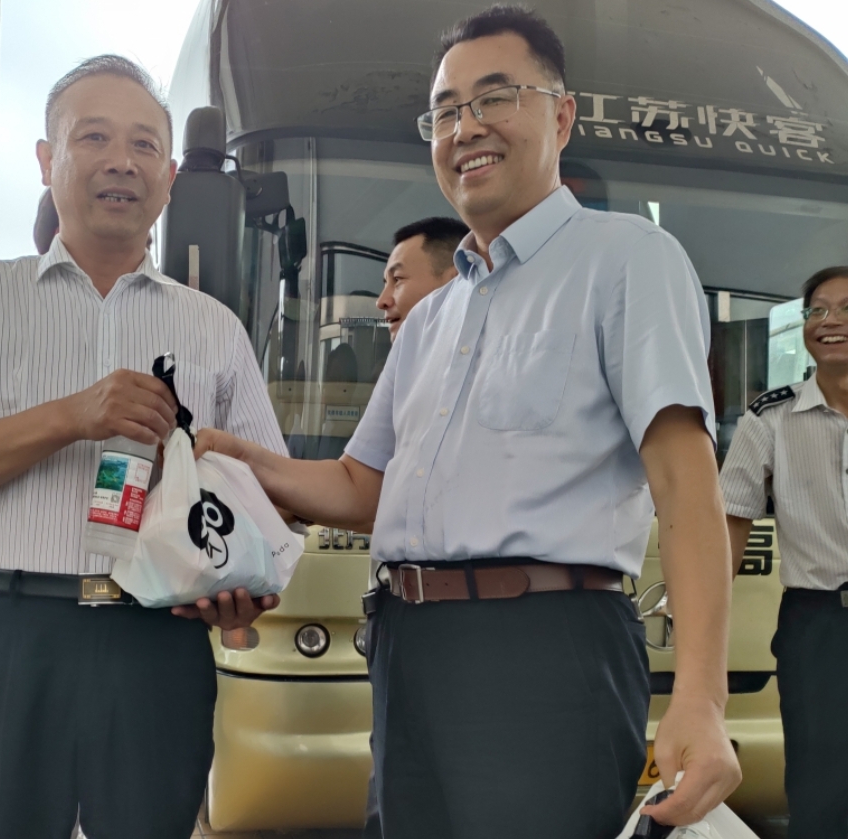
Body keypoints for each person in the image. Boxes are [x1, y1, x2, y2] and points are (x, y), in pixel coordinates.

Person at [193, 6, 741, 837]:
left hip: (542, 650)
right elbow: (361, 485)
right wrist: (237, 458)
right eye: (445, 111)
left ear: (561, 116)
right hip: (406, 649)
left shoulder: (625, 258)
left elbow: (684, 483)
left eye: (494, 98)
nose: (465, 128)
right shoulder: (431, 318)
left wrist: (701, 696)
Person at [0, 55, 288, 839]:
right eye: (94, 137)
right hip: (10, 635)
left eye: (143, 145)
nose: (120, 161)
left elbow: (259, 491)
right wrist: (73, 415)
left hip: (157, 643)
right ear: (47, 159)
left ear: (169, 178)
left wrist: (243, 583)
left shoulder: (215, 328)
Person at [719, 267, 848, 839]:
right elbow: (731, 520)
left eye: (845, 309)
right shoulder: (770, 416)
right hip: (820, 627)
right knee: (821, 794)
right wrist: (702, 624)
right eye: (817, 310)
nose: (829, 321)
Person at [362, 215, 467, 839]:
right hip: (401, 627)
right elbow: (357, 487)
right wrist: (242, 465)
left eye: (398, 279)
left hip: (498, 637)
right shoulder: (407, 361)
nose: (382, 300)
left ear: (458, 277)